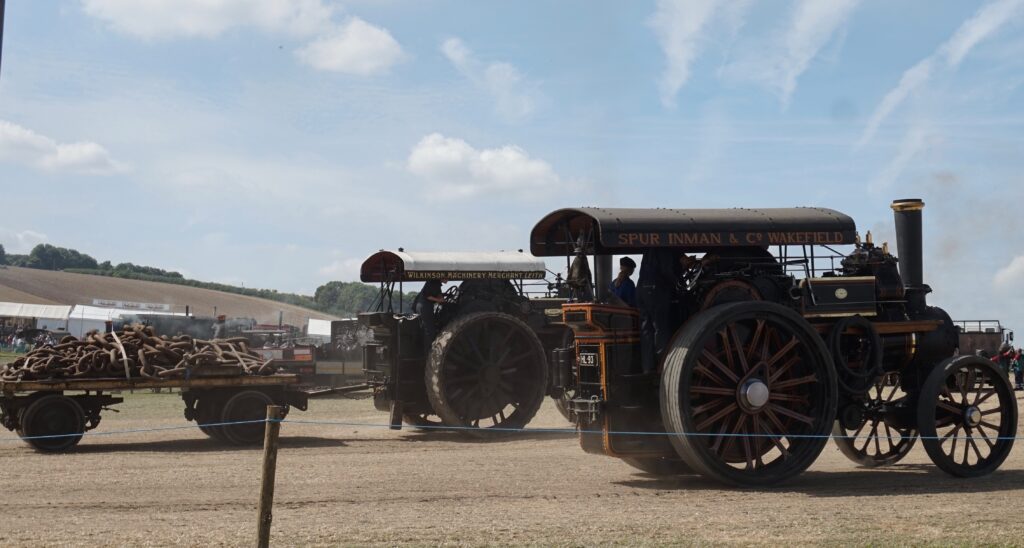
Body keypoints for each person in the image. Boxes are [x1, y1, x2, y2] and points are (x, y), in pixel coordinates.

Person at [637, 249, 681, 374]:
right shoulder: (664, 245)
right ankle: (662, 366)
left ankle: (647, 366)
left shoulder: (649, 248)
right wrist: (678, 282)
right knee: (660, 328)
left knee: (646, 329)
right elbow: (666, 270)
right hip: (656, 289)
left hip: (641, 289)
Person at [413, 279, 446, 348]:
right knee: (430, 331)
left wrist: (441, 298)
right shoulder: (433, 282)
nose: (448, 279)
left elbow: (438, 294)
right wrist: (439, 300)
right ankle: (429, 352)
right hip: (424, 307)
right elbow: (428, 296)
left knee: (426, 329)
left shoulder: (436, 283)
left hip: (421, 306)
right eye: (447, 277)